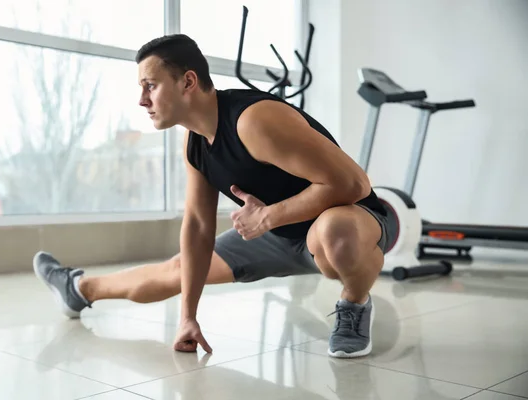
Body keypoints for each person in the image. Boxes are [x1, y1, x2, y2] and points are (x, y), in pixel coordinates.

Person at [33, 34, 391, 359]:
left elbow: (354, 184)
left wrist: (269, 217)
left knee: (332, 235)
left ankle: (354, 304)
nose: (142, 100)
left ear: (188, 81)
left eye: (150, 86)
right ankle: (77, 288)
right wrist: (188, 316)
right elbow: (198, 228)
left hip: (349, 220)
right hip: (277, 235)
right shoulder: (195, 144)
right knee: (178, 268)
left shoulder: (254, 120)